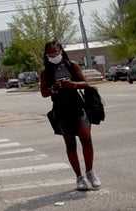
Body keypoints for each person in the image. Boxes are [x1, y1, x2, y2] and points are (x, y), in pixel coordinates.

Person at [40, 40, 100, 191]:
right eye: (50, 54)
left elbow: (85, 84)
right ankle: (79, 177)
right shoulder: (45, 72)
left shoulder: (71, 65)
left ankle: (90, 172)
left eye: (56, 52)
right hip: (61, 110)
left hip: (78, 106)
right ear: (46, 55)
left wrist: (72, 84)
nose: (53, 55)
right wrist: (54, 88)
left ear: (61, 51)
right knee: (70, 144)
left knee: (86, 139)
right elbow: (43, 93)